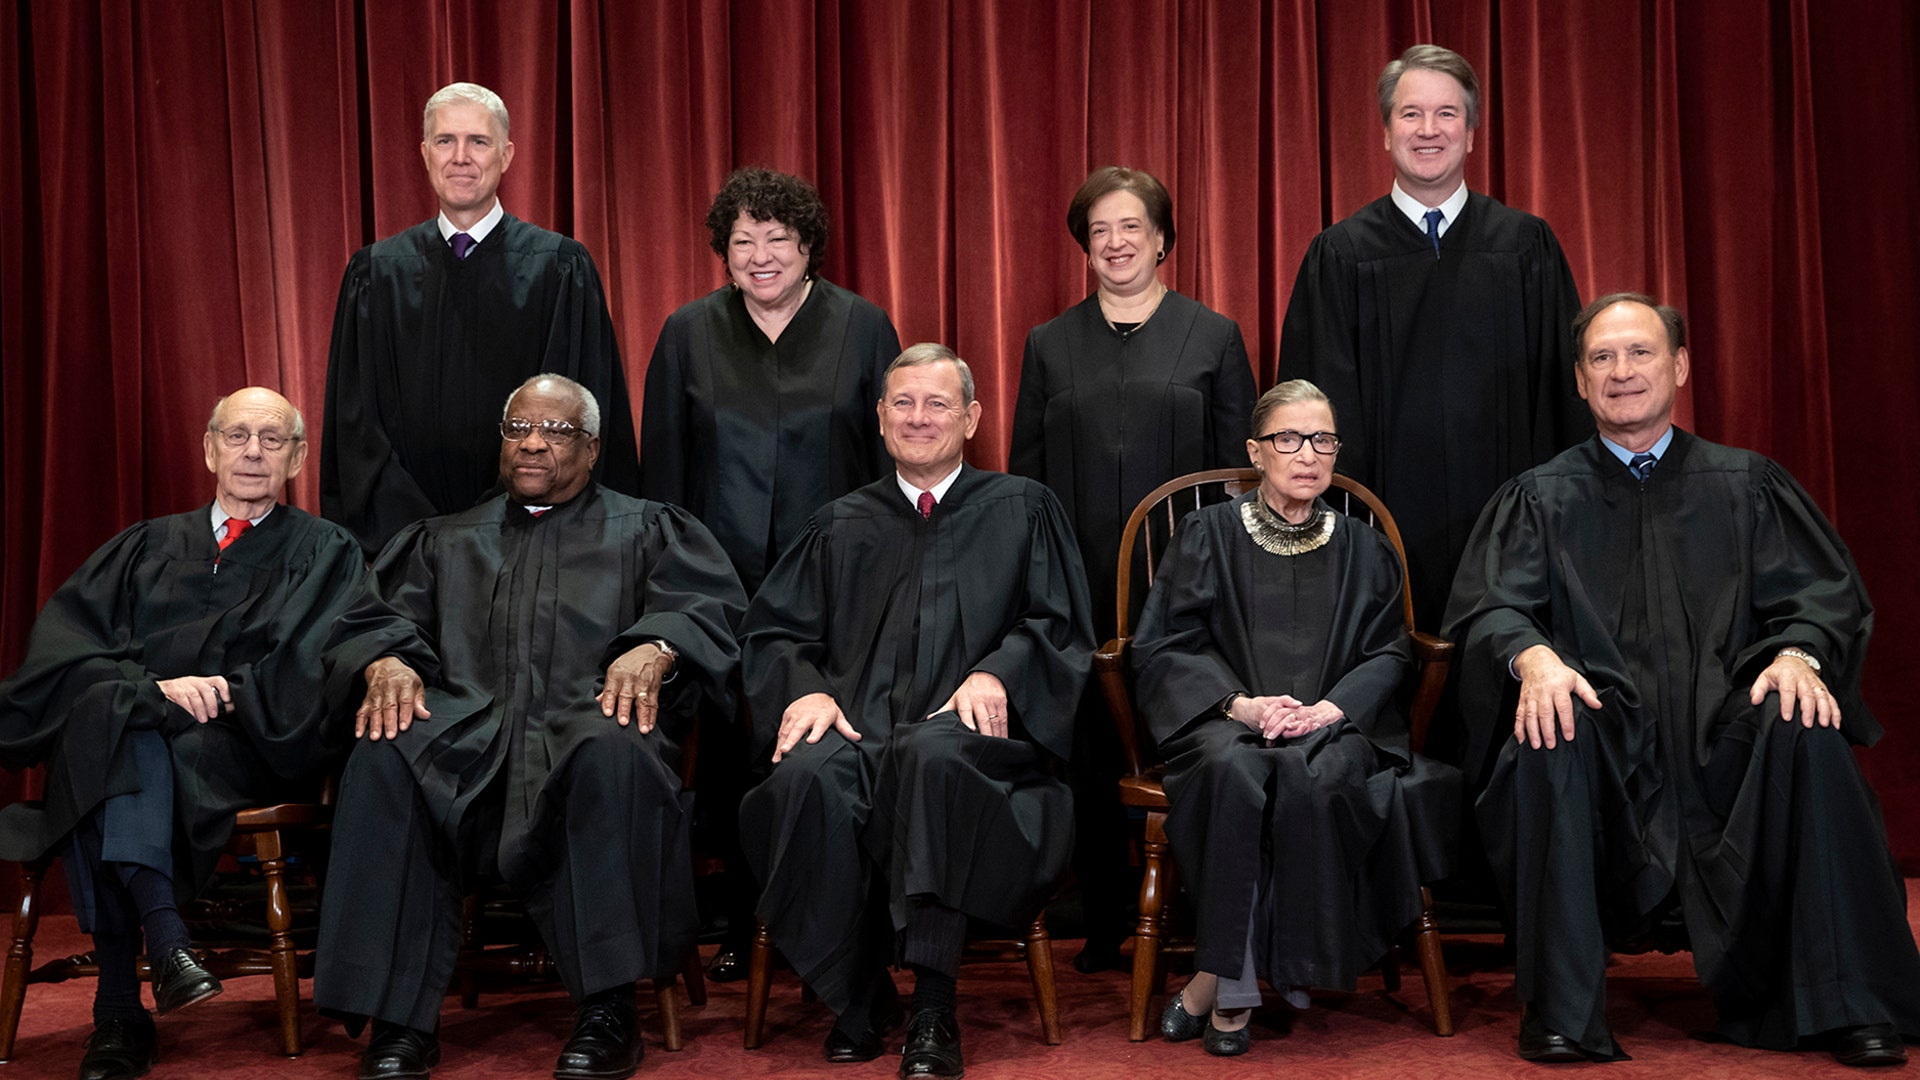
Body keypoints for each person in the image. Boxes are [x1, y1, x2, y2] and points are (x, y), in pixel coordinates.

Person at [1443, 293, 1920, 1065]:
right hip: (1602, 736)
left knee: (1804, 722)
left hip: (1729, 733)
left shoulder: (1747, 485)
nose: (1622, 371)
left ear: (1681, 366)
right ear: (1578, 379)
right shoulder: (1540, 498)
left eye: (1640, 353)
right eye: (1602, 357)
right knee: (1549, 728)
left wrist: (1798, 654)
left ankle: (1848, 1003)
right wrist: (1533, 659)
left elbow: (1821, 598)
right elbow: (1493, 607)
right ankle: (1562, 1010)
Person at [312, 375, 746, 1080]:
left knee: (614, 749)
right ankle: (400, 1022)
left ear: (593, 447)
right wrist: (384, 659)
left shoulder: (649, 528)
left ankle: (609, 1009)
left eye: (557, 430)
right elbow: (372, 621)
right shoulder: (445, 540)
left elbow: (706, 609)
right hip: (466, 739)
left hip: (584, 727)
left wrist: (658, 646)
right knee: (386, 751)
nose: (534, 442)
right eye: (519, 428)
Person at [738, 344, 1094, 1078]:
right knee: (806, 777)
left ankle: (934, 1003)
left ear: (971, 417)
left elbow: (1059, 627)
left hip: (978, 748)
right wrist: (804, 687)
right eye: (902, 403)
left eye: (937, 404)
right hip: (859, 731)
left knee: (932, 759)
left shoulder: (1024, 508)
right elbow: (775, 632)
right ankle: (857, 995)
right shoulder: (839, 523)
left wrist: (998, 672)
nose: (919, 418)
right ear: (878, 418)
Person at [0, 388, 365, 1080]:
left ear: (298, 456)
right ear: (208, 449)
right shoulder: (144, 546)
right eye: (237, 436)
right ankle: (166, 944)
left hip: (243, 745)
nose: (252, 452)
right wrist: (151, 694)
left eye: (271, 438)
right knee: (120, 726)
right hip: (138, 735)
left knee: (108, 737)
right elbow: (62, 653)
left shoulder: (325, 552)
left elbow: (312, 669)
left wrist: (223, 691)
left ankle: (118, 1009)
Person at [1131, 380, 1458, 1056]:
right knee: (1234, 770)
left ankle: (1213, 981)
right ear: (1256, 450)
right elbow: (1164, 644)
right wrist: (1242, 705)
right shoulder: (1205, 534)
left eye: (1324, 439)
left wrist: (1333, 708)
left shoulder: (1365, 549)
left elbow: (1389, 653)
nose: (1308, 453)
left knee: (1322, 775)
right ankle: (1238, 986)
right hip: (1227, 721)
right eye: (1289, 438)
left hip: (1333, 724)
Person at [641, 166, 901, 979]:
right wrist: (677, 580)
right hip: (720, 582)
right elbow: (666, 475)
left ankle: (847, 916)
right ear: (723, 252)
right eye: (743, 241)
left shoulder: (863, 327)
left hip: (838, 584)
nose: (760, 256)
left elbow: (890, 458)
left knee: (830, 741)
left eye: (777, 240)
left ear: (807, 247)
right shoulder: (688, 331)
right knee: (728, 756)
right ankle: (744, 919)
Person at [1011, 166, 1257, 971]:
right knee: (1087, 748)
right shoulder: (1049, 344)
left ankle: (1194, 909)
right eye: (1099, 232)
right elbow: (1027, 475)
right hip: (1079, 581)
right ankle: (1108, 916)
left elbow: (1237, 478)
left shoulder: (1213, 336)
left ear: (1162, 239)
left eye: (1131, 228)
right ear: (1085, 247)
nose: (1115, 244)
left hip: (1186, 589)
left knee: (1189, 738)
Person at [1279, 44, 1588, 633]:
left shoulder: (1526, 246)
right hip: (1381, 528)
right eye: (1410, 113)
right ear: (1386, 132)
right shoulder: (1340, 256)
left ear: (1471, 133)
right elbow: (1311, 408)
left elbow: (1565, 396)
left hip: (1512, 525)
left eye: (1447, 114)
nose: (1428, 130)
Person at [322, 81, 640, 559]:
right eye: (446, 141)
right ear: (425, 153)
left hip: (535, 536)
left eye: (479, 141)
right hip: (403, 544)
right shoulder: (377, 273)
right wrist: (421, 532)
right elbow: (356, 425)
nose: (460, 157)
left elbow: (580, 412)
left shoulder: (558, 267)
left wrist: (499, 516)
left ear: (507, 155)